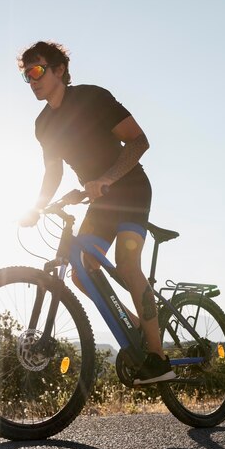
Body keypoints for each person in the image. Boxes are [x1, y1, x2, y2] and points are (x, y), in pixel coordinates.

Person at [18, 41, 175, 385]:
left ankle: (159, 360)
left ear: (59, 70)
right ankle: (139, 324)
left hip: (130, 189)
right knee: (81, 271)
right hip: (99, 198)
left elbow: (138, 141)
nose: (32, 80)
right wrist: (38, 205)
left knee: (127, 263)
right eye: (26, 74)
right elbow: (53, 172)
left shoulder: (92, 98)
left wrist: (106, 178)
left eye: (38, 70)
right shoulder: (43, 124)